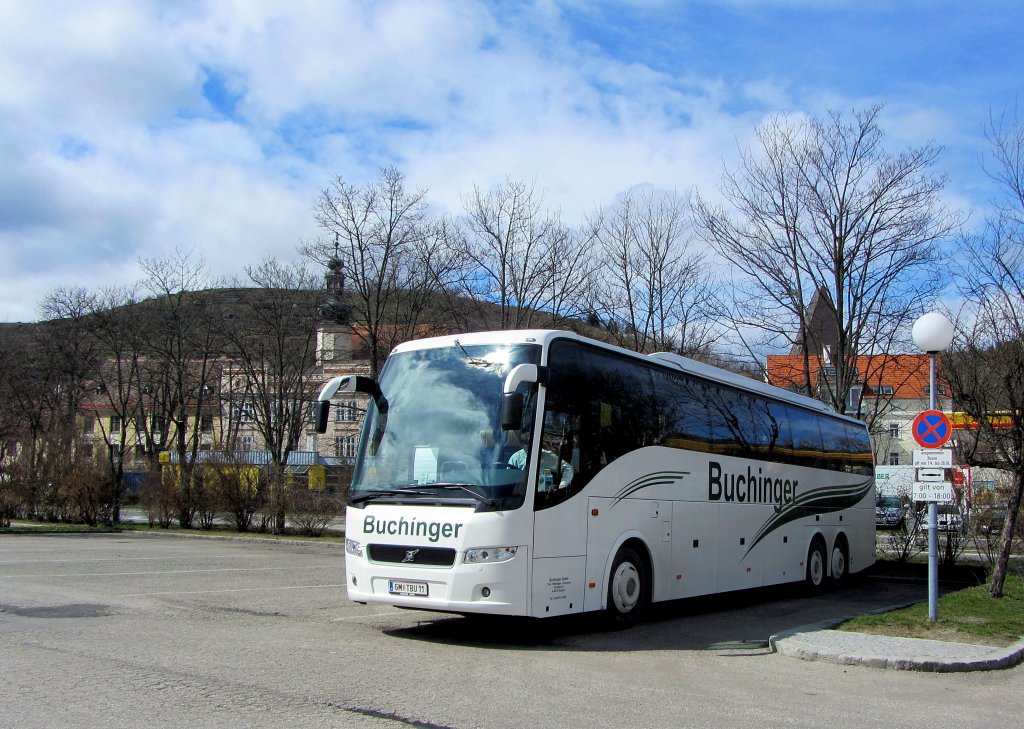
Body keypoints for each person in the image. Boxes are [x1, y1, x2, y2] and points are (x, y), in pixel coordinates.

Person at [508, 432, 574, 491]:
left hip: (544, 498)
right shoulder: (515, 458)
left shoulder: (548, 456)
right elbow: (508, 478)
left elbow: (568, 468)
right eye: (525, 442)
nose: (528, 445)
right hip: (522, 497)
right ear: (521, 443)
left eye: (530, 442)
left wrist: (562, 485)